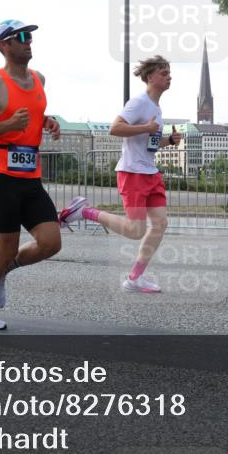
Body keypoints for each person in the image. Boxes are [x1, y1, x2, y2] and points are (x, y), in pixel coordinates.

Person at [0, 19, 63, 331]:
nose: (28, 41)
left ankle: (1, 269)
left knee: (51, 243)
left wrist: (47, 121)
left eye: (29, 36)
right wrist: (7, 125)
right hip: (1, 177)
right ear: (3, 45)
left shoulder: (39, 79)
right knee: (5, 249)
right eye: (21, 36)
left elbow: (33, 112)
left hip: (31, 177)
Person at [58, 55, 181, 293]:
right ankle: (84, 212)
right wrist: (146, 127)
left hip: (150, 172)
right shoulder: (138, 103)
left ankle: (134, 279)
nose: (169, 77)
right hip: (133, 173)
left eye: (169, 73)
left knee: (160, 224)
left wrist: (169, 140)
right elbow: (115, 128)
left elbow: (149, 143)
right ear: (150, 77)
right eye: (164, 73)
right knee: (135, 231)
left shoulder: (156, 108)